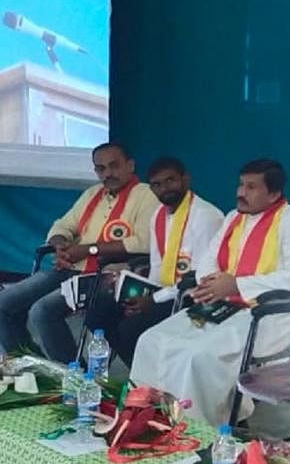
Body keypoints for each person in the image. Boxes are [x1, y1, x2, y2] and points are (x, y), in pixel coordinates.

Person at [129, 159, 290, 427]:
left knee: (196, 355)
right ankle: (149, 419)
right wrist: (212, 282)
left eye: (251, 187)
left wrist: (238, 285)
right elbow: (209, 260)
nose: (241, 192)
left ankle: (199, 427)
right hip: (221, 303)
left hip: (264, 314)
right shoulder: (233, 217)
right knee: (152, 340)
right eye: (241, 184)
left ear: (274, 193)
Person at [0, 142, 156, 362]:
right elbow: (63, 225)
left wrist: (88, 250)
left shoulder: (146, 195)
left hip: (108, 275)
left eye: (114, 166)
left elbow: (142, 242)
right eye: (101, 169)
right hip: (70, 268)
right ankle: (32, 366)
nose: (108, 173)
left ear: (130, 165)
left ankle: (72, 377)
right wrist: (60, 245)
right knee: (4, 303)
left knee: (42, 311)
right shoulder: (93, 194)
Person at [84, 156, 224, 369]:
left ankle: (150, 383)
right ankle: (141, 373)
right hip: (164, 292)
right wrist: (144, 295)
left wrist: (153, 301)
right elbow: (158, 266)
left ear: (186, 179)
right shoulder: (158, 215)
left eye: (171, 181)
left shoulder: (206, 217)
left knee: (131, 328)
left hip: (193, 297)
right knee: (98, 314)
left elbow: (198, 277)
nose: (165, 189)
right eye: (157, 185)